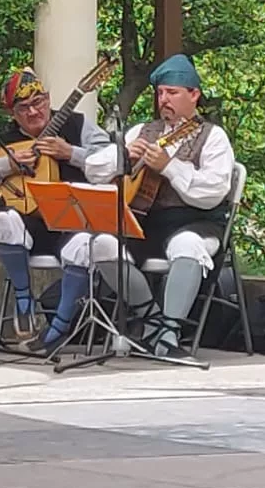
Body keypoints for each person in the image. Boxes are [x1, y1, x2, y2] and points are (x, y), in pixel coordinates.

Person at [80, 54, 235, 350]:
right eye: (161, 93)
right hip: (144, 223)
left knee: (187, 245)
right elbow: (93, 169)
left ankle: (169, 333)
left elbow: (213, 190)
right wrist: (124, 156)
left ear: (194, 95)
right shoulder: (142, 132)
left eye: (173, 93)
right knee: (101, 244)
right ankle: (151, 318)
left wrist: (169, 166)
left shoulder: (213, 137)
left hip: (196, 222)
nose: (165, 99)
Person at [0, 67, 111, 353]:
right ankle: (24, 301)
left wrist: (71, 153)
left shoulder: (78, 125)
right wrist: (7, 165)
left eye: (40, 102)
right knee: (3, 220)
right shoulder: (2, 139)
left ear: (49, 99)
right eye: (24, 108)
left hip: (72, 221)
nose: (35, 112)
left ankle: (59, 327)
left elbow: (113, 160)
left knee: (86, 244)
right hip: (29, 228)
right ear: (12, 112)